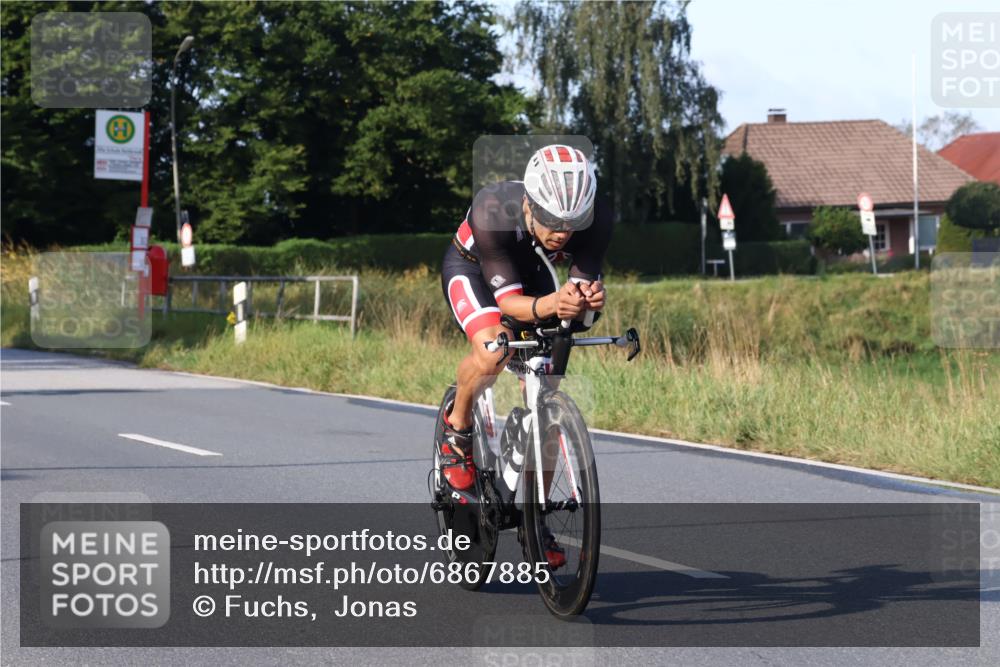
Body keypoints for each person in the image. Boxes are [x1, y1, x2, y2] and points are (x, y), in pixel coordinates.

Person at [438, 144, 612, 566]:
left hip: (534, 274)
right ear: (529, 204)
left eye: (573, 224)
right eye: (552, 221)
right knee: (494, 348)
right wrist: (556, 304)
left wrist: (587, 299)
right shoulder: (492, 208)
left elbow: (578, 291)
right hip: (476, 269)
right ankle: (456, 428)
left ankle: (535, 520)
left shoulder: (597, 215)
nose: (562, 233)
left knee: (546, 386)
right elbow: (511, 306)